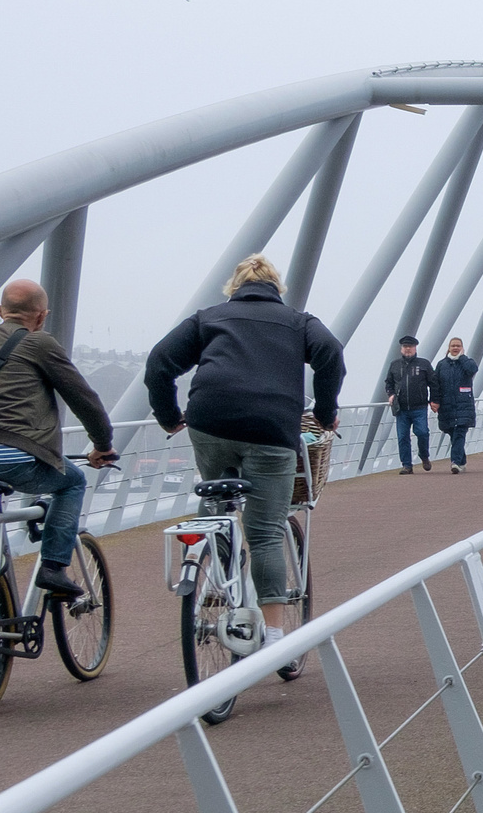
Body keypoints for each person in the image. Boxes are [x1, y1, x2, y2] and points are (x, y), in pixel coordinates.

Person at [145, 254, 343, 652]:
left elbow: (158, 364)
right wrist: (324, 413)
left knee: (217, 497)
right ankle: (272, 639)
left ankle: (215, 574)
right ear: (277, 289)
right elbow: (331, 356)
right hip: (271, 424)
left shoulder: (208, 317)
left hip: (210, 419)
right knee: (266, 531)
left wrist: (169, 417)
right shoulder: (299, 322)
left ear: (234, 288)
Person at [0, 279, 116, 598]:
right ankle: (53, 567)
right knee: (71, 482)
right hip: (12, 458)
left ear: (1, 311)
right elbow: (83, 399)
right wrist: (102, 445)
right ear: (42, 316)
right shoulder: (39, 343)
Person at [381, 334, 436, 473]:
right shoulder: (395, 365)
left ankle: (424, 456)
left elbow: (434, 383)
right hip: (401, 408)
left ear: (415, 348)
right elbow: (389, 383)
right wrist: (391, 394)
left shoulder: (424, 364)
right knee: (402, 437)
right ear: (401, 349)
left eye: (410, 347)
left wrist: (435, 400)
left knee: (422, 432)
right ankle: (407, 465)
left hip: (420, 407)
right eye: (405, 347)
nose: (407, 349)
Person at [434, 335, 480, 471]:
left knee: (460, 431)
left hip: (463, 404)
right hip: (446, 405)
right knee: (452, 432)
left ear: (462, 348)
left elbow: (473, 370)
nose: (455, 348)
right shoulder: (442, 365)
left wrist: (462, 357)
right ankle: (462, 460)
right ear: (448, 348)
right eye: (453, 346)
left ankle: (455, 462)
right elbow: (435, 384)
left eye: (458, 346)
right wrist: (434, 401)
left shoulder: (467, 362)